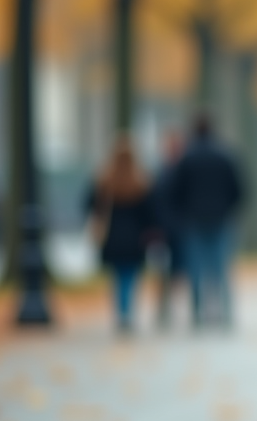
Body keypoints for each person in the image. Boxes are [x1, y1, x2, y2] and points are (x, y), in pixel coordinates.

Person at [171, 115, 245, 328]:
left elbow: (176, 190)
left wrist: (183, 213)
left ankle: (197, 312)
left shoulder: (187, 158)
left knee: (195, 267)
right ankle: (226, 312)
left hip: (193, 220)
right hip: (221, 219)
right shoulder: (225, 155)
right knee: (221, 267)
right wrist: (229, 209)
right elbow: (238, 188)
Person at [85, 137, 156, 333]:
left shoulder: (104, 180)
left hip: (113, 236)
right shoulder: (141, 181)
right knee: (131, 277)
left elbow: (90, 205)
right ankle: (128, 313)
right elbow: (150, 212)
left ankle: (121, 313)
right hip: (135, 237)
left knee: (117, 277)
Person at [151, 130, 186, 327]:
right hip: (164, 231)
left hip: (178, 230)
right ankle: (164, 308)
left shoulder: (180, 170)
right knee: (163, 271)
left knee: (177, 271)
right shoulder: (162, 171)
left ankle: (171, 307)